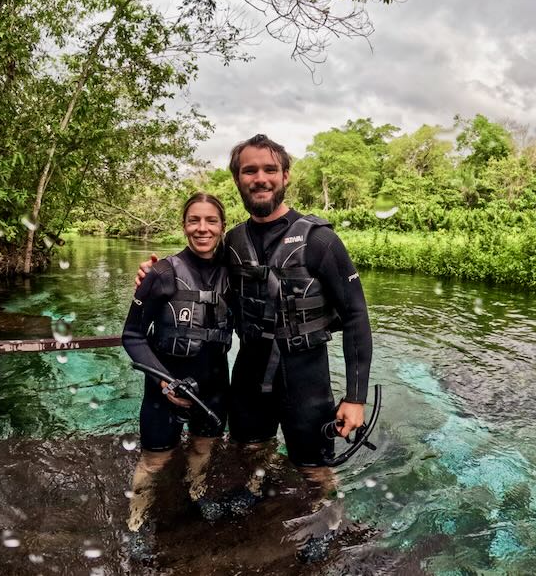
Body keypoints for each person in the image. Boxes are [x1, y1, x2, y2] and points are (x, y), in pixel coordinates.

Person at [138, 135, 373, 478]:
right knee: (246, 457)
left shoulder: (320, 240)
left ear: (285, 175)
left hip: (306, 376)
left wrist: (355, 397)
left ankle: (325, 525)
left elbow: (355, 315)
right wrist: (151, 275)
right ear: (238, 179)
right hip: (249, 375)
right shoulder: (232, 242)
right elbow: (193, 272)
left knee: (315, 472)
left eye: (269, 169)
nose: (260, 178)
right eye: (249, 170)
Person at [121, 192, 232, 538]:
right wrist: (165, 383)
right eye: (194, 220)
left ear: (222, 226)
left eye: (210, 221)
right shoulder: (161, 273)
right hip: (164, 386)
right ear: (184, 226)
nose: (202, 228)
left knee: (203, 447)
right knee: (154, 461)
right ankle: (135, 522)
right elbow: (133, 336)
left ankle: (196, 494)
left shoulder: (234, 273)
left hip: (213, 384)